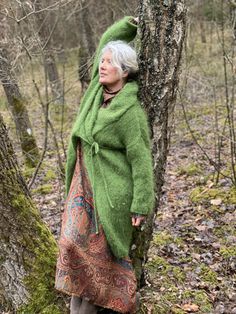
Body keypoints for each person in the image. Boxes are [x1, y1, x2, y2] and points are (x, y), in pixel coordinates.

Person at [55, 16, 154, 314]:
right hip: (82, 184)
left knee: (100, 254)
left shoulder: (130, 112)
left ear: (124, 71)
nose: (102, 65)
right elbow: (103, 44)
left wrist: (140, 203)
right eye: (103, 60)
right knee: (71, 244)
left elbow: (141, 160)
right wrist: (129, 25)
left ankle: (100, 305)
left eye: (110, 62)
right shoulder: (96, 95)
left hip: (111, 192)